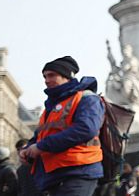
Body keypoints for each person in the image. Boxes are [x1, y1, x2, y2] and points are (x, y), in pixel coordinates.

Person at [20, 56, 105, 196]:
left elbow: (86, 129)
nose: (46, 80)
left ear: (67, 76)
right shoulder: (50, 108)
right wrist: (28, 148)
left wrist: (41, 147)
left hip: (79, 170)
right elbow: (40, 136)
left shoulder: (87, 98)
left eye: (52, 75)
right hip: (55, 174)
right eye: (45, 76)